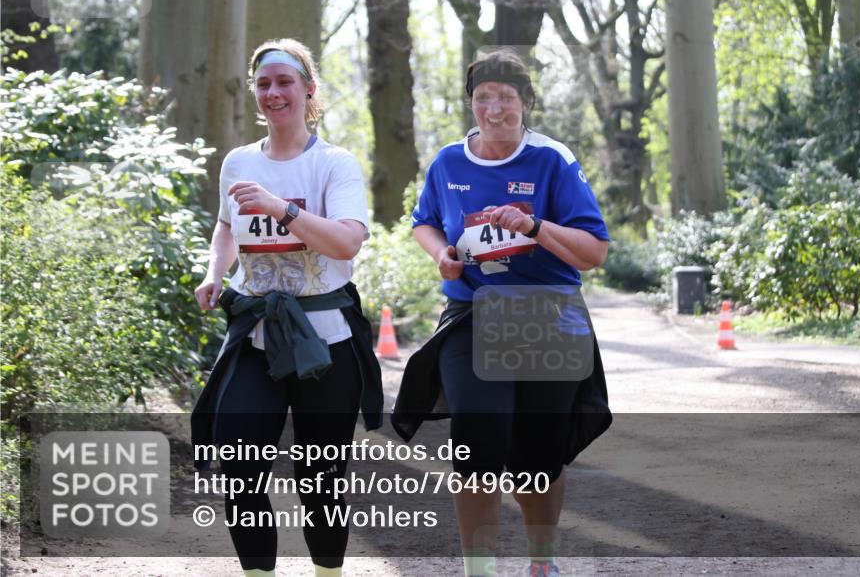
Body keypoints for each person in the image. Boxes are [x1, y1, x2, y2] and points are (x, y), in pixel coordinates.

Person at [391, 49, 612, 577]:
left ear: (526, 103)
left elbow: (594, 252)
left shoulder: (551, 160)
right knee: (476, 437)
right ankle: (480, 569)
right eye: (483, 97)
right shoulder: (448, 161)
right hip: (472, 315)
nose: (494, 109)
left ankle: (541, 561)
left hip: (548, 317)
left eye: (506, 97)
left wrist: (534, 228)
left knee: (539, 456)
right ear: (470, 102)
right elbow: (424, 221)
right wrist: (441, 254)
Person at [190, 38, 383, 577]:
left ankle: (328, 573)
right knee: (238, 466)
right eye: (264, 83)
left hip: (326, 341)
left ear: (308, 90)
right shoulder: (239, 161)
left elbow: (346, 242)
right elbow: (227, 227)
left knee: (319, 478)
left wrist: (281, 208)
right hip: (255, 335)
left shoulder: (334, 164)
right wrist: (215, 273)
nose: (273, 93)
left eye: (285, 83)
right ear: (256, 92)